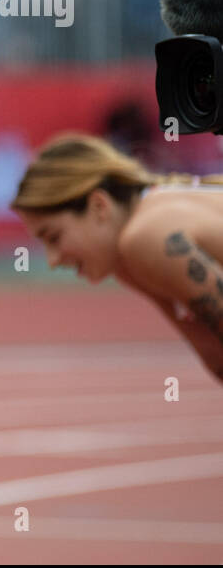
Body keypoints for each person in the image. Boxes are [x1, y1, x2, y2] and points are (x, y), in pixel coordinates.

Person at [13, 133, 223, 382]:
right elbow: (215, 357)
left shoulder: (148, 238)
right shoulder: (130, 253)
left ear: (99, 206)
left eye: (54, 237)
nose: (53, 260)